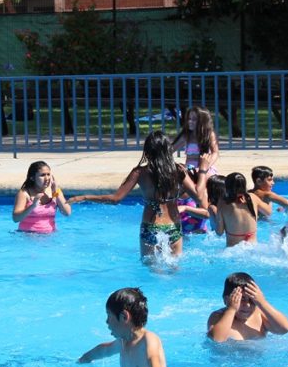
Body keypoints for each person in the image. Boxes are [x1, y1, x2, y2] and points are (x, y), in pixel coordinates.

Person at [69, 130, 204, 258]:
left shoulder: (140, 173)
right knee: (174, 269)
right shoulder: (178, 171)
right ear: (168, 151)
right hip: (173, 226)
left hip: (151, 227)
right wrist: (202, 171)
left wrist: (85, 197)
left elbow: (115, 199)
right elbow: (198, 196)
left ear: (147, 151)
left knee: (151, 272)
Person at [78, 287, 178, 367]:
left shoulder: (149, 341)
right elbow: (103, 350)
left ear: (124, 317)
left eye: (109, 316)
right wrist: (84, 359)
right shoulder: (123, 341)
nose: (106, 321)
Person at [207, 272, 288, 342]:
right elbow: (217, 340)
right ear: (226, 300)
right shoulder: (218, 317)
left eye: (252, 300)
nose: (247, 304)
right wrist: (231, 309)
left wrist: (262, 303)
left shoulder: (259, 315)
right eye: (241, 299)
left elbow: (284, 329)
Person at [12, 161, 71, 233]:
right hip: (27, 237)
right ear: (32, 178)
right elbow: (15, 218)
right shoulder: (24, 193)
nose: (47, 178)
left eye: (48, 174)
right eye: (42, 175)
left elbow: (67, 213)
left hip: (50, 237)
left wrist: (55, 192)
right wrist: (33, 206)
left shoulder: (55, 191)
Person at [171, 105, 219, 193]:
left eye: (194, 119)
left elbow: (215, 153)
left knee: (204, 186)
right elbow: (170, 150)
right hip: (189, 169)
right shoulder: (186, 135)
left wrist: (204, 167)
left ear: (203, 121)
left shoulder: (209, 134)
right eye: (189, 119)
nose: (190, 121)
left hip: (205, 168)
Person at [215, 172, 265, 246]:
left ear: (227, 187)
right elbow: (269, 212)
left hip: (234, 249)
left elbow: (219, 232)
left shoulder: (223, 202)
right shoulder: (253, 197)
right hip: (253, 246)